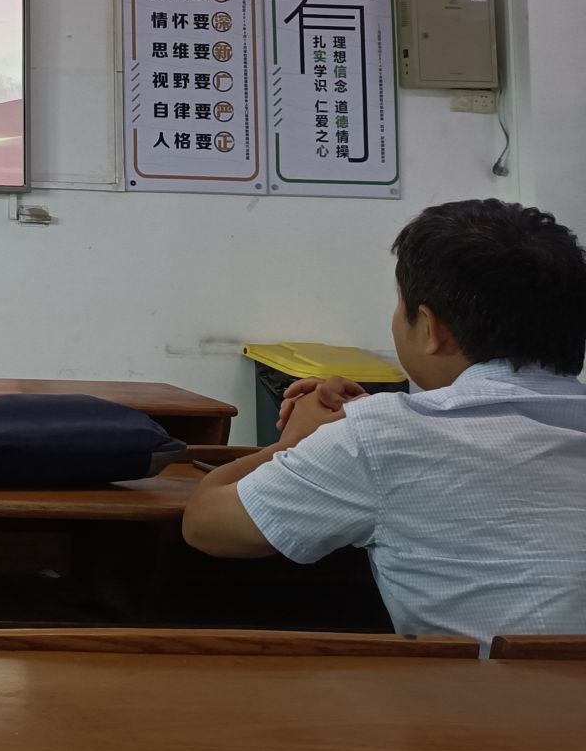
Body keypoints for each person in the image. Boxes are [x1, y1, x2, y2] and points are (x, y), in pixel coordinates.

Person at [183, 197, 586, 645]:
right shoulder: (385, 428)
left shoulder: (381, 437)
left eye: (399, 304)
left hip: (485, 690)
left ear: (431, 328)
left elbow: (205, 524)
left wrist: (294, 442)